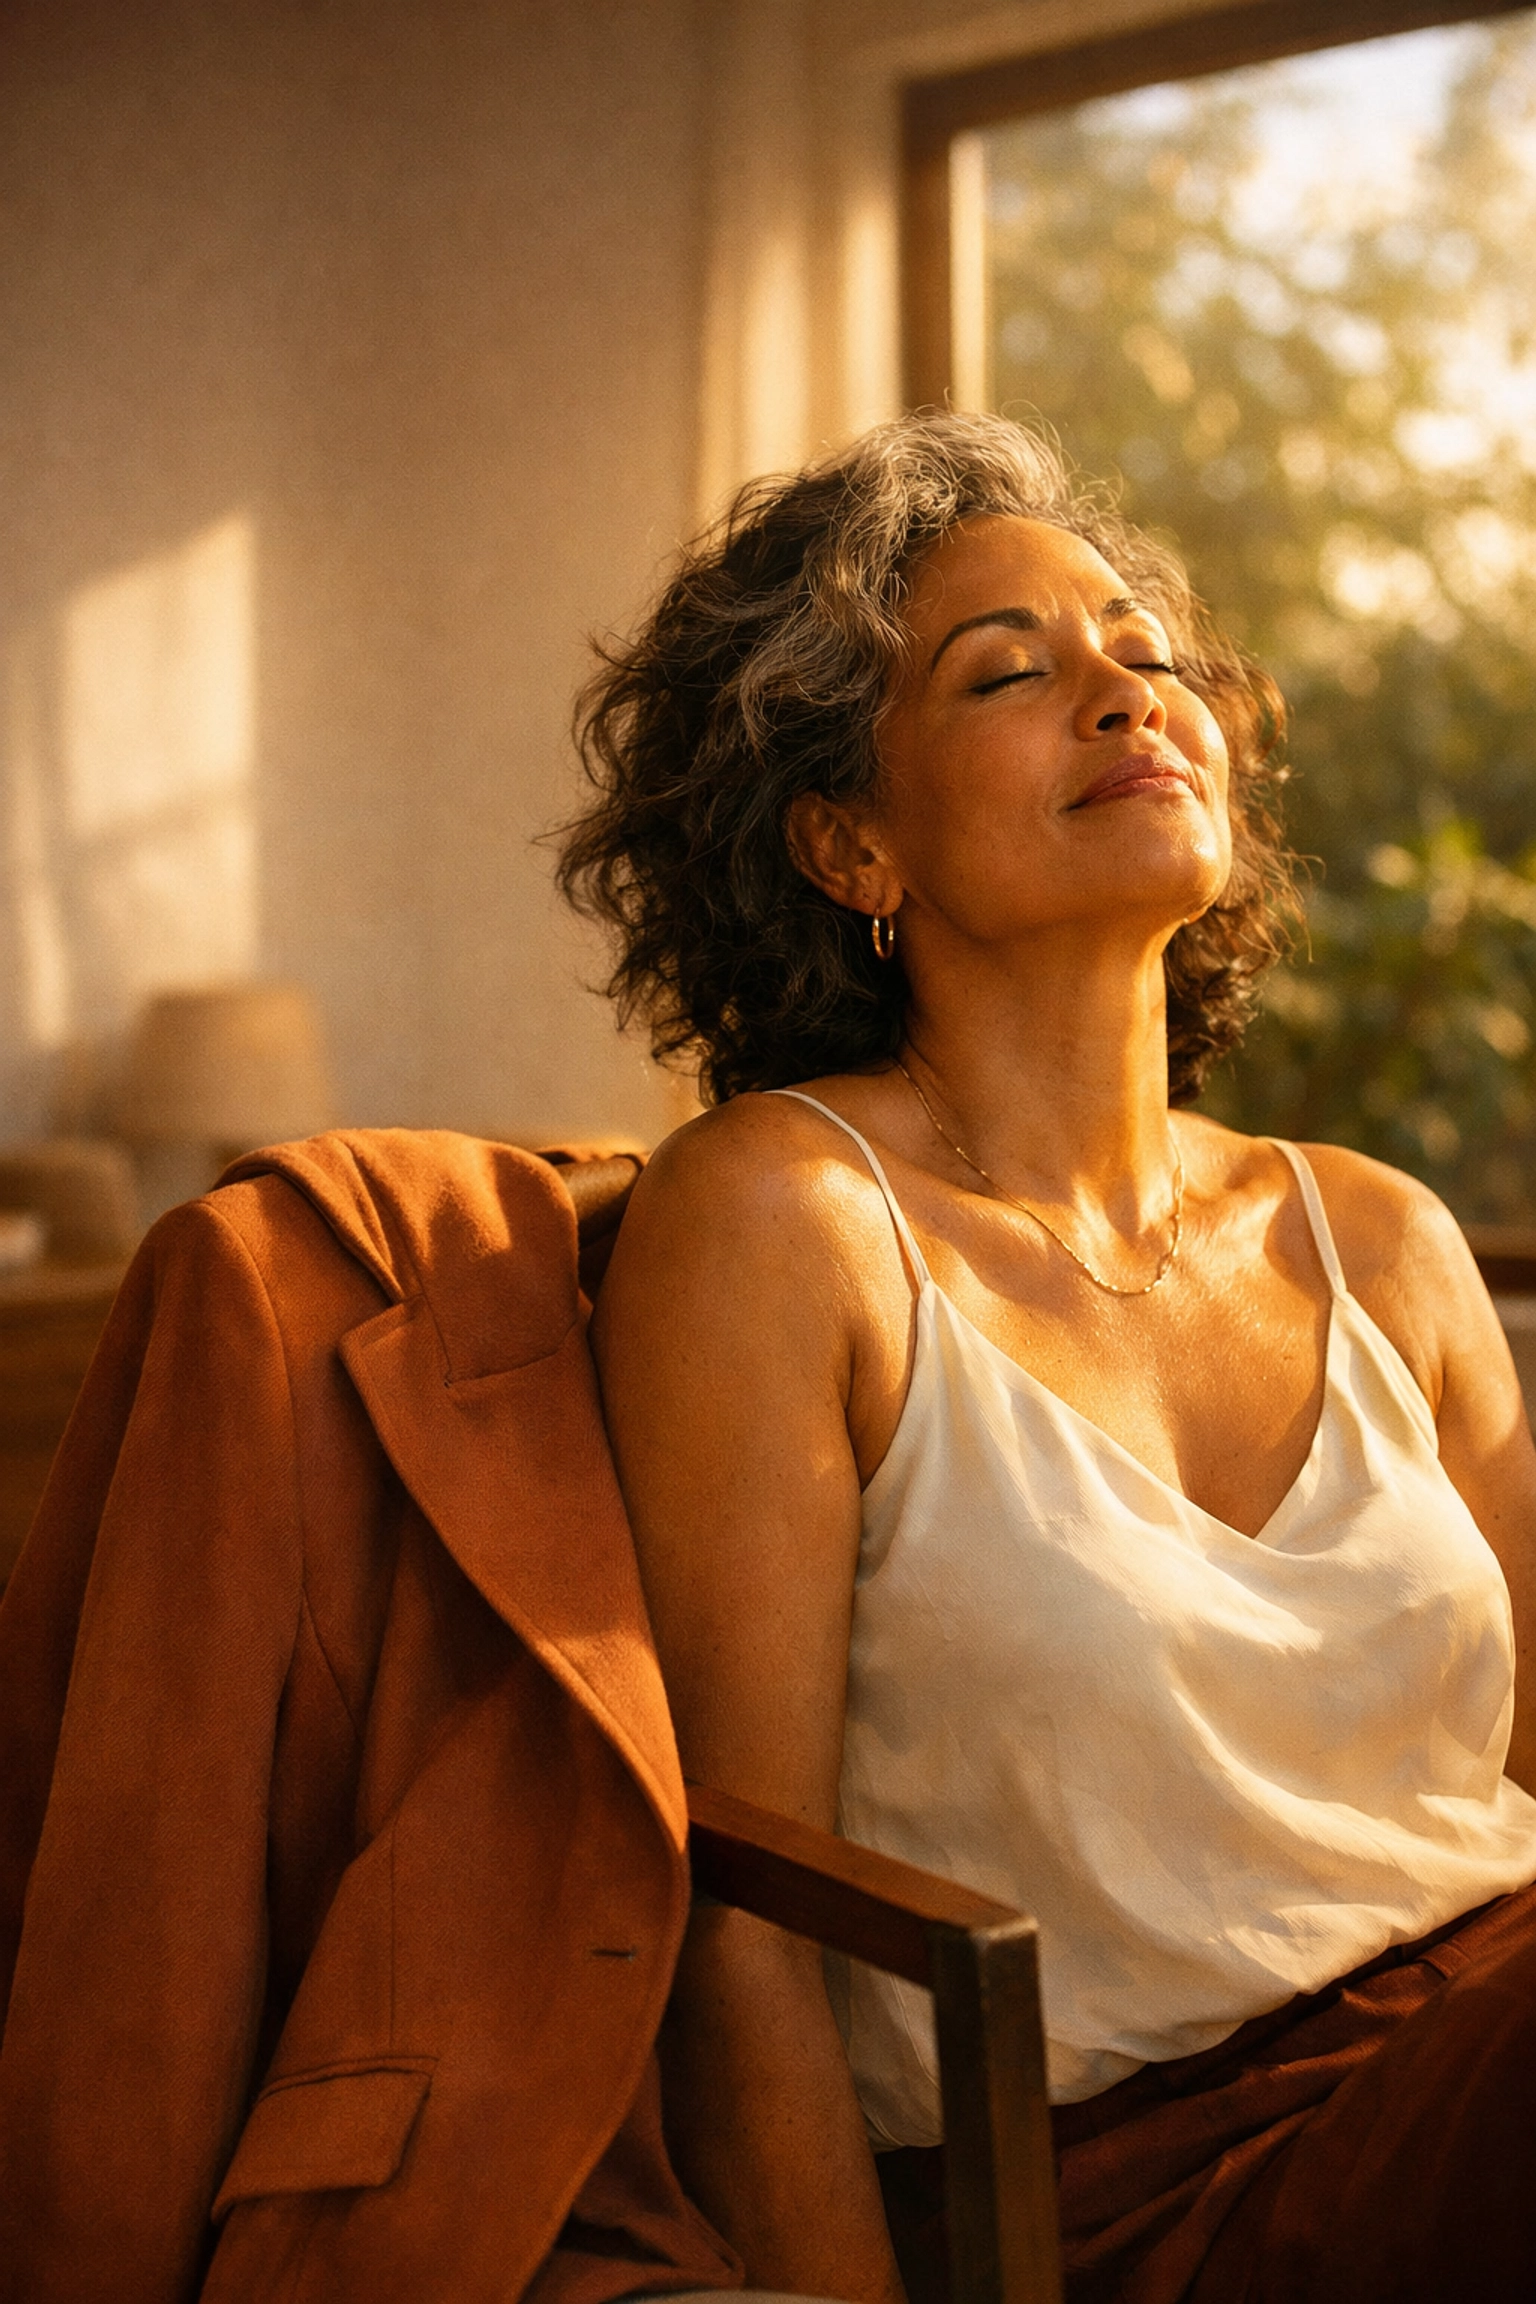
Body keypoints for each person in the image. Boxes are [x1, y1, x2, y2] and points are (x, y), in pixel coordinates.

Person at [558, 412, 1536, 2304]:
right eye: (1011, 671)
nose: (1124, 696)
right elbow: (739, 1917)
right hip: (1154, 2184)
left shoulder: (1380, 1235)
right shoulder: (783, 1218)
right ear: (849, 840)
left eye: (1148, 654)